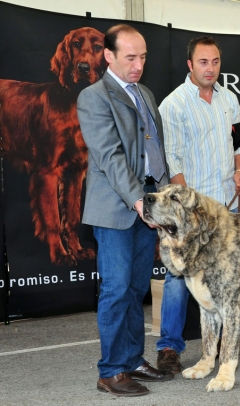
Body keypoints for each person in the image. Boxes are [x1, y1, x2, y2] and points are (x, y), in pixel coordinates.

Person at [77, 24, 173, 397]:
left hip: (147, 203)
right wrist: (138, 201)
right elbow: (110, 157)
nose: (138, 65)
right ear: (109, 56)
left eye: (143, 57)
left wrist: (163, 197)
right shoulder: (93, 97)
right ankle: (111, 371)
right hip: (118, 207)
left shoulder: (144, 93)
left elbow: (155, 150)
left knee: (135, 288)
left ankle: (132, 360)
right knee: (116, 289)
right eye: (130, 57)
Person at [156, 37, 240, 373]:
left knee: (227, 276)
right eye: (203, 62)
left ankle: (223, 348)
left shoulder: (229, 98)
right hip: (190, 212)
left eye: (215, 62)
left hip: (225, 205)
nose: (210, 68)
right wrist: (186, 209)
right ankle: (169, 347)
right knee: (178, 277)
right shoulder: (175, 104)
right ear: (190, 65)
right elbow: (172, 159)